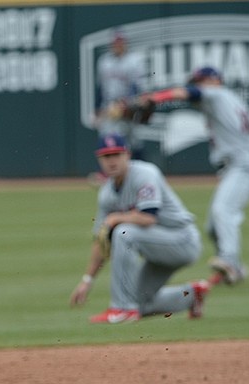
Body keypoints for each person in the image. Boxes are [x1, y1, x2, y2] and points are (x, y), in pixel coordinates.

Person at [142, 66, 249, 285]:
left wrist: (156, 97)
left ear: (212, 80)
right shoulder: (231, 98)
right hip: (235, 166)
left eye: (198, 81)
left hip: (242, 165)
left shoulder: (216, 93)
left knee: (223, 211)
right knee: (212, 227)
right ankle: (234, 269)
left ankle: (228, 260)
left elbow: (188, 93)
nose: (195, 86)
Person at [70, 134, 209, 324]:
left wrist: (116, 218)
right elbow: (101, 241)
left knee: (124, 233)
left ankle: (122, 309)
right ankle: (192, 295)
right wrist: (87, 280)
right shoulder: (106, 194)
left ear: (127, 155)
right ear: (99, 160)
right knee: (141, 303)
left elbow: (148, 217)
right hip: (157, 249)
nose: (112, 161)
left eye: (116, 154)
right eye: (106, 156)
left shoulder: (145, 174)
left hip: (182, 240)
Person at [93, 31, 146, 160]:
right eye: (115, 42)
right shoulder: (104, 61)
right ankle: (107, 173)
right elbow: (100, 87)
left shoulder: (134, 60)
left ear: (125, 43)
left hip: (130, 104)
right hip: (110, 105)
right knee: (107, 137)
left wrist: (127, 104)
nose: (118, 45)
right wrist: (97, 108)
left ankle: (140, 167)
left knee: (134, 140)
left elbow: (136, 86)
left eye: (120, 42)